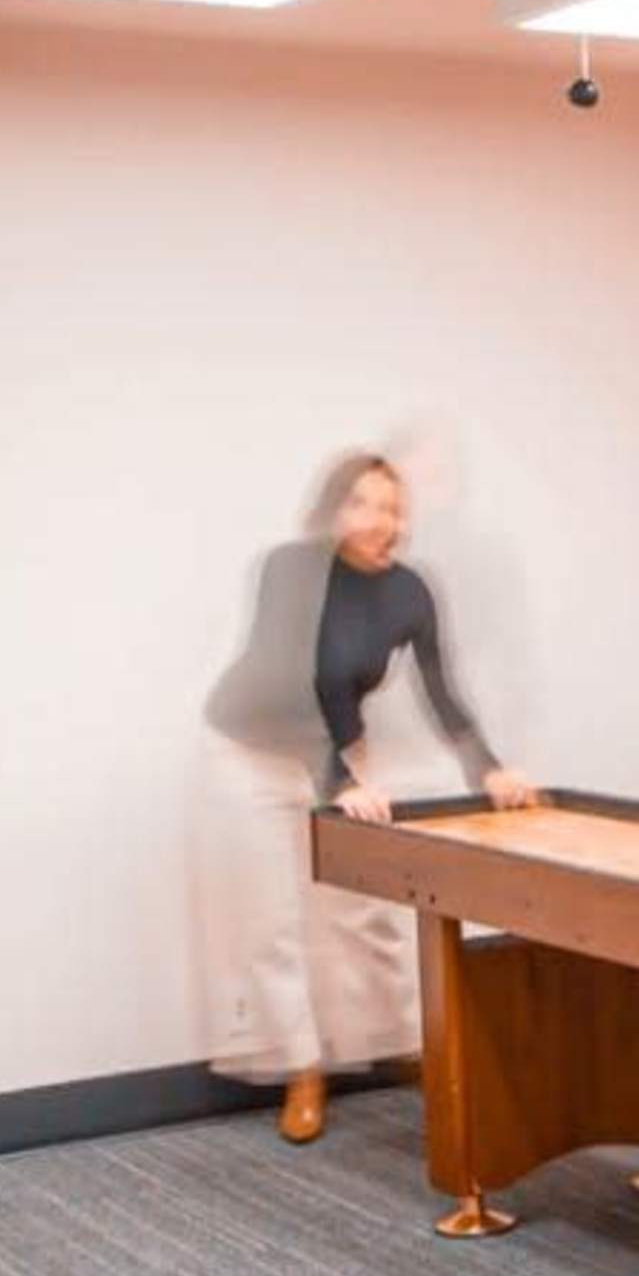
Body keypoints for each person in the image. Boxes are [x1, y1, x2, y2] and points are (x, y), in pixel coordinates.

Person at [200, 451, 533, 1140]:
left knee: (365, 913)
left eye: (389, 505)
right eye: (360, 502)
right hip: (256, 750)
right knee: (274, 923)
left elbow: (440, 686)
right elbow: (294, 681)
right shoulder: (290, 569)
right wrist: (340, 781)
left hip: (338, 753)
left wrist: (488, 768)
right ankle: (303, 1075)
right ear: (332, 507)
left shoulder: (410, 590)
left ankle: (407, 1049)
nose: (377, 518)